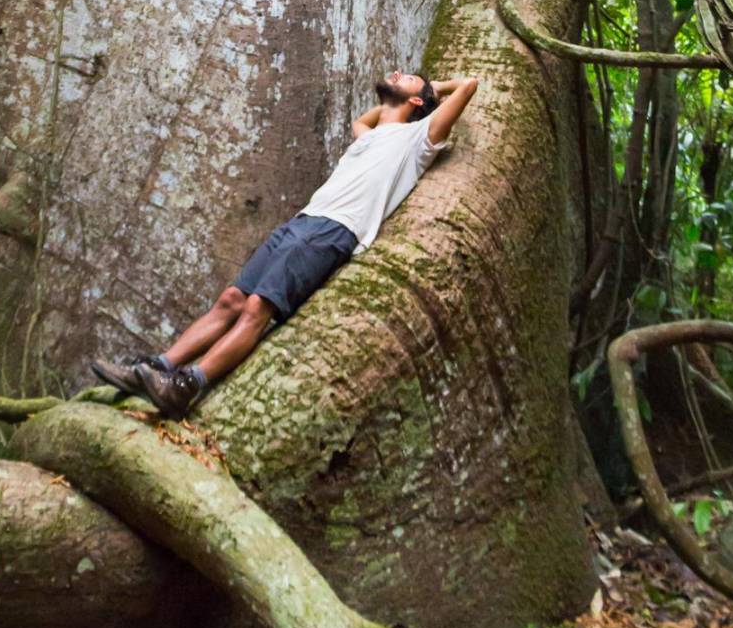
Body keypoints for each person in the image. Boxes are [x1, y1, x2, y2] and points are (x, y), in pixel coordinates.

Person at [92, 69, 478, 419]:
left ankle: (188, 383)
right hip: (303, 221)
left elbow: (469, 86)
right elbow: (361, 120)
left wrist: (433, 88)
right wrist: (408, 92)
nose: (398, 72)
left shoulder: (419, 140)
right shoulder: (372, 136)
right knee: (231, 300)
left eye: (408, 78)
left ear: (417, 102)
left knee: (258, 307)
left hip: (335, 230)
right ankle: (158, 367)